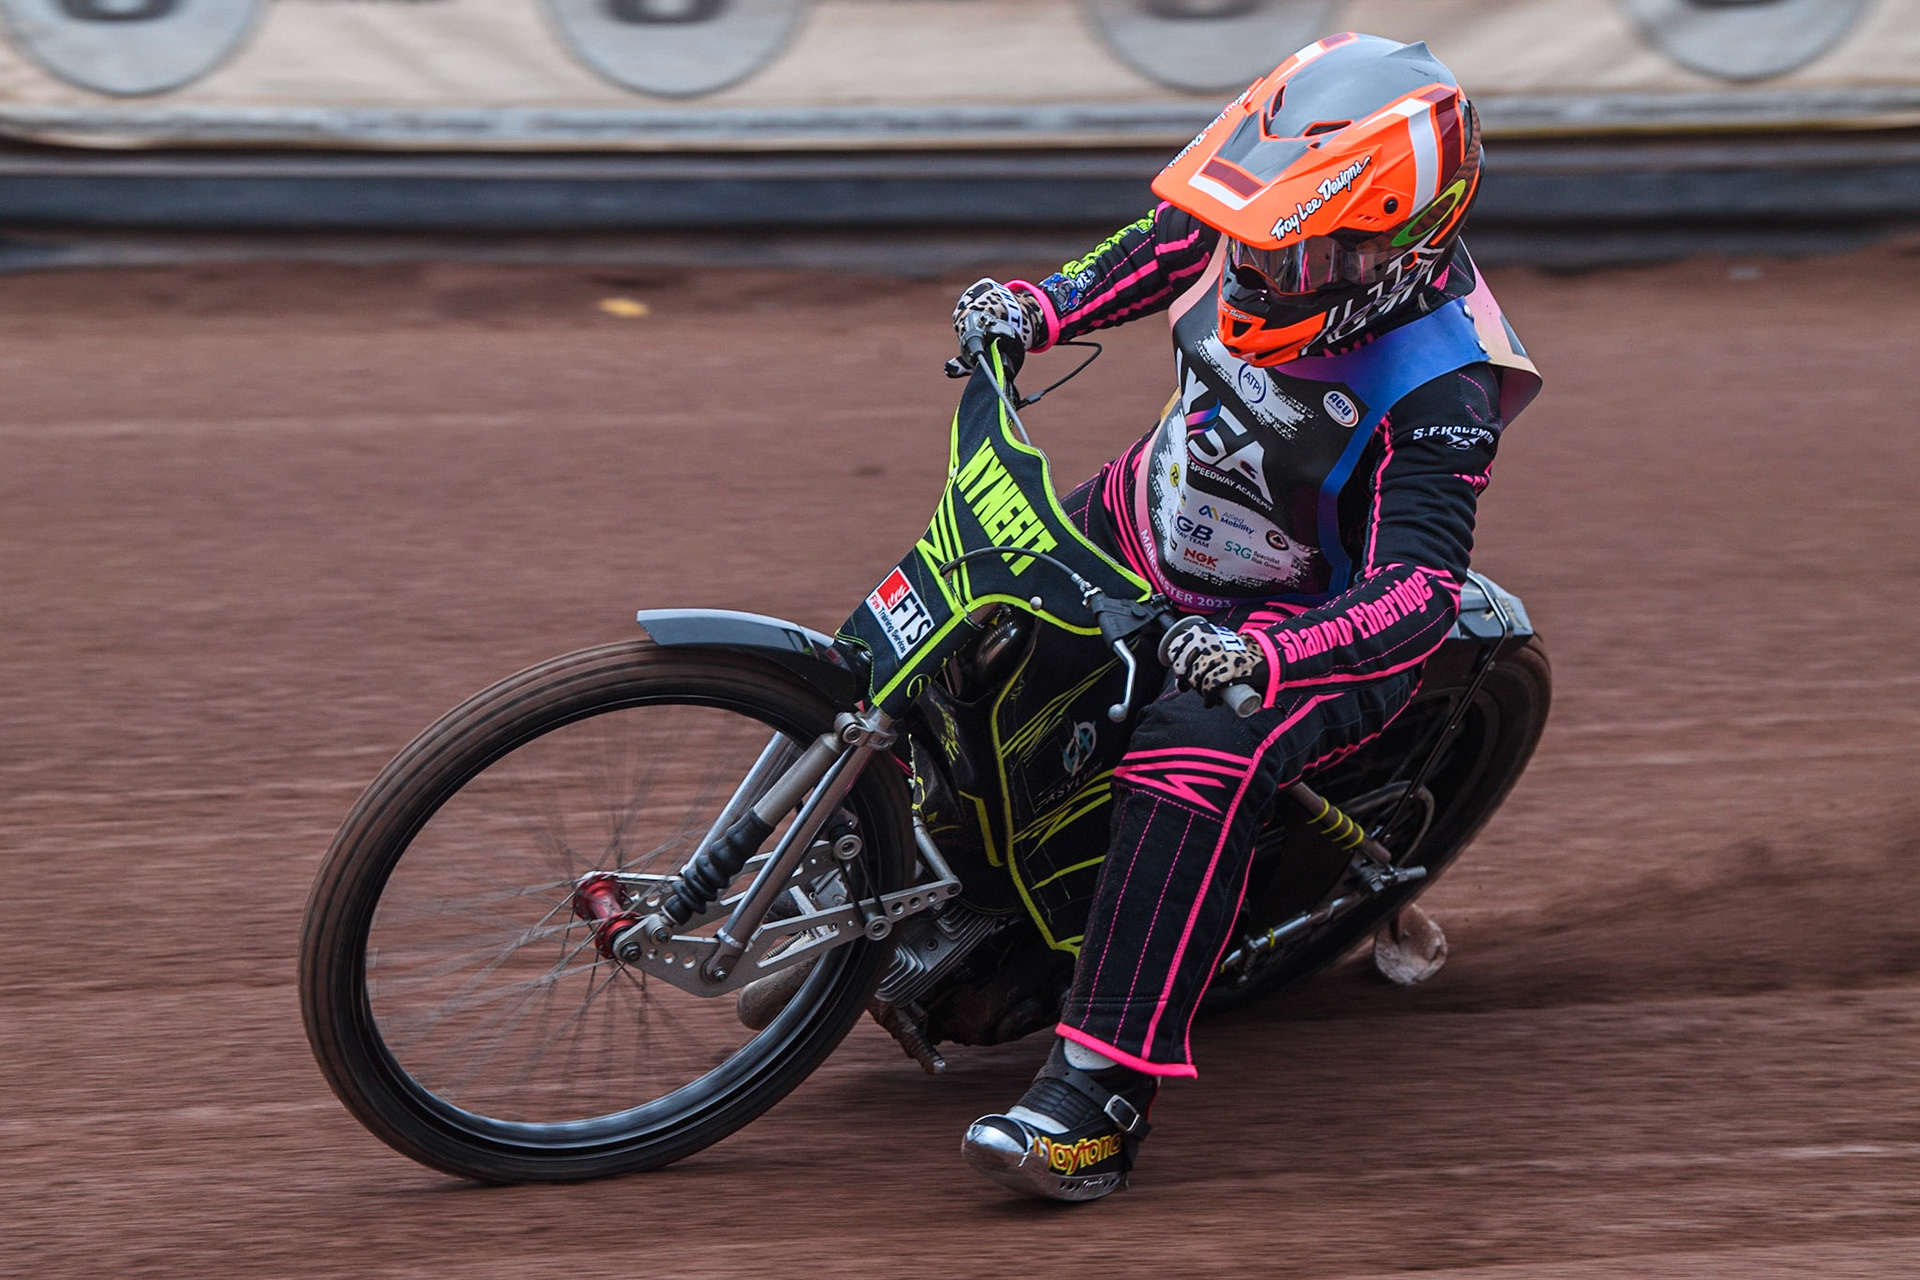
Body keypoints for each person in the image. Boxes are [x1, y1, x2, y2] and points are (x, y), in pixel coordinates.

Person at [948, 32, 1542, 1202]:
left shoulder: (1444, 384)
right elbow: (1165, 243)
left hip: (1310, 629)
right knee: (976, 610)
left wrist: (1266, 654)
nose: (1258, 275)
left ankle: (1098, 1102)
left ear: (1396, 249)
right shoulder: (1266, 219)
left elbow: (1418, 593)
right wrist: (1035, 306)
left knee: (1189, 750)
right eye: (1256, 246)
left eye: (1299, 257)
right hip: (1155, 514)